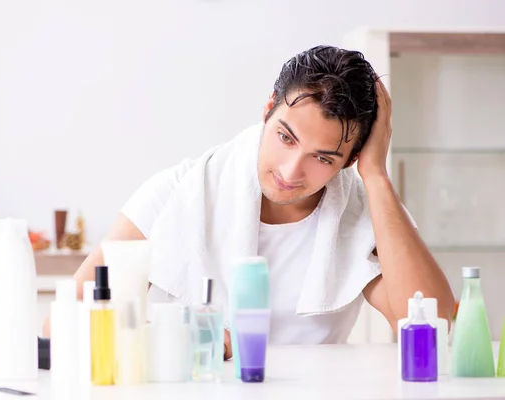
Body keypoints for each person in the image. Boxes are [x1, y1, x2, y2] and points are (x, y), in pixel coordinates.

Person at [43, 45, 454, 359]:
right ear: (267, 110)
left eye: (323, 158)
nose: (291, 171)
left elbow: (431, 329)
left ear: (349, 161)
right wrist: (187, 337)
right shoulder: (178, 193)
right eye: (286, 138)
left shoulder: (364, 212)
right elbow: (57, 326)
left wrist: (377, 176)